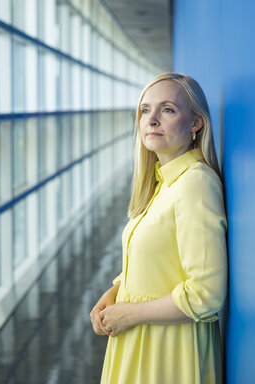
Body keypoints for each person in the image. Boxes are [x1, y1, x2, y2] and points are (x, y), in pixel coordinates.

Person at [90, 72, 228, 384]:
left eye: (167, 110)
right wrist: (115, 292)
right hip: (139, 341)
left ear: (196, 123)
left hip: (169, 354)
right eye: (145, 110)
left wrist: (130, 314)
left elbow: (206, 294)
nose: (152, 120)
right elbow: (157, 263)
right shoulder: (162, 183)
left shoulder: (195, 183)